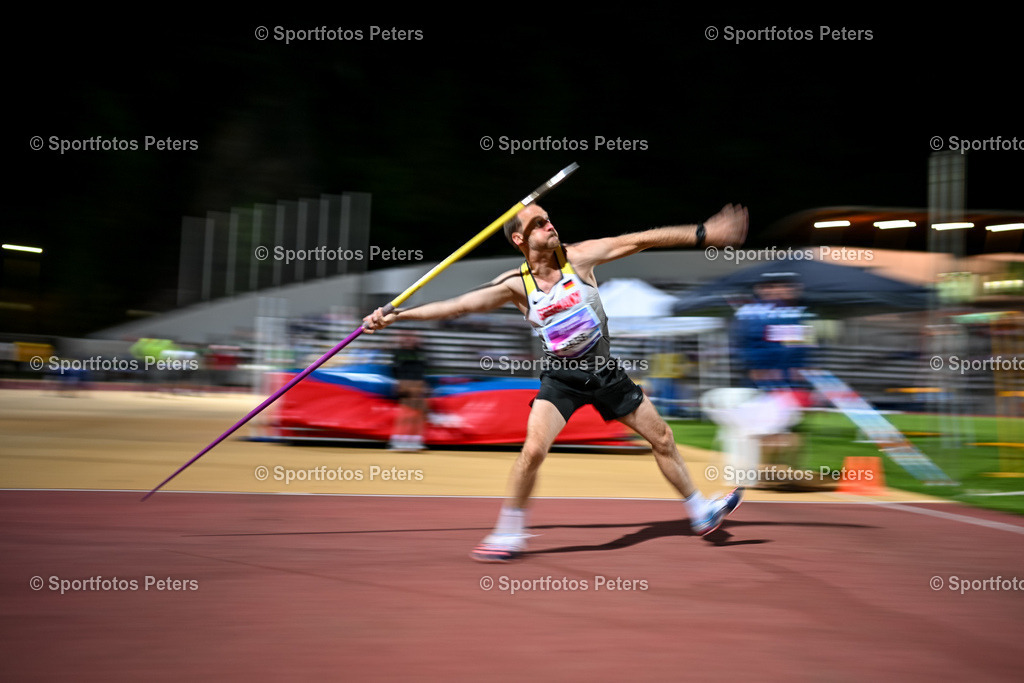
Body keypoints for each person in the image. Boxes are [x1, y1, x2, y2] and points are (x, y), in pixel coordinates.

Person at [364, 202, 749, 562]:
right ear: (520, 240)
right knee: (533, 451)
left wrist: (704, 232)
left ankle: (700, 511)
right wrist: (397, 317)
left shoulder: (580, 257)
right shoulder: (515, 284)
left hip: (605, 372)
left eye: (548, 219)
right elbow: (460, 305)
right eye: (539, 224)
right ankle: (508, 532)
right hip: (561, 378)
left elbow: (640, 240)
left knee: (662, 438)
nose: (550, 226)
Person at [389, 332, 429, 451]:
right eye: (407, 339)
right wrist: (398, 384)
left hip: (418, 383)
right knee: (406, 412)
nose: (411, 340)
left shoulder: (420, 353)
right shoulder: (398, 353)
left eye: (413, 338)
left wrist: (423, 385)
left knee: (420, 413)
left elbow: (422, 370)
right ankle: (398, 440)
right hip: (405, 383)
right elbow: (395, 369)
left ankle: (415, 440)